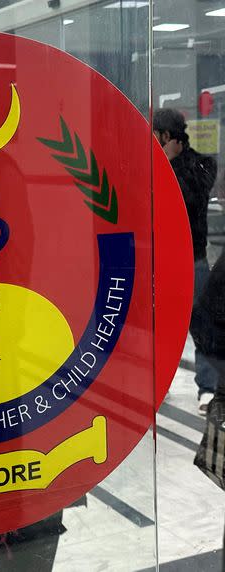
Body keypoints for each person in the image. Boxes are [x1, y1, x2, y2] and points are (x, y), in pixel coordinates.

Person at [154, 108, 219, 414]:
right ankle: (158, 382)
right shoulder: (157, 167)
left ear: (167, 137)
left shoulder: (201, 164)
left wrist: (166, 165)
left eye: (156, 138)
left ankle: (207, 388)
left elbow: (192, 196)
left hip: (193, 260)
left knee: (202, 325)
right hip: (162, 260)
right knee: (161, 325)